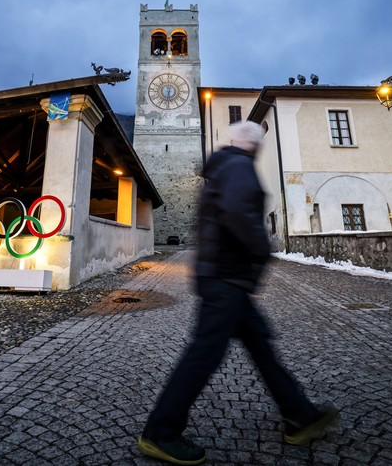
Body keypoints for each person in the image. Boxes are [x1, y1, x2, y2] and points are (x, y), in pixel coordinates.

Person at [138, 121, 337, 465]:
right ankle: (160, 431)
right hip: (227, 276)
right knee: (205, 353)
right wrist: (262, 250)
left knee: (261, 345)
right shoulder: (240, 167)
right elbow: (240, 215)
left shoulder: (222, 168)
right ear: (255, 146)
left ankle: (300, 415)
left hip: (224, 275)